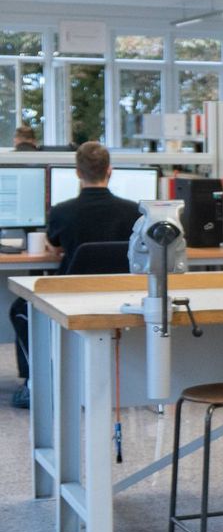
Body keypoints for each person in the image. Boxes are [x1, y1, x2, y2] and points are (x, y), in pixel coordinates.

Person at [10, 142, 141, 407]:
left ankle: (34, 383)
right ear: (110, 171)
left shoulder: (62, 211)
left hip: (71, 298)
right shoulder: (133, 211)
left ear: (78, 173)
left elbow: (55, 246)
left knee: (20, 309)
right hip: (120, 296)